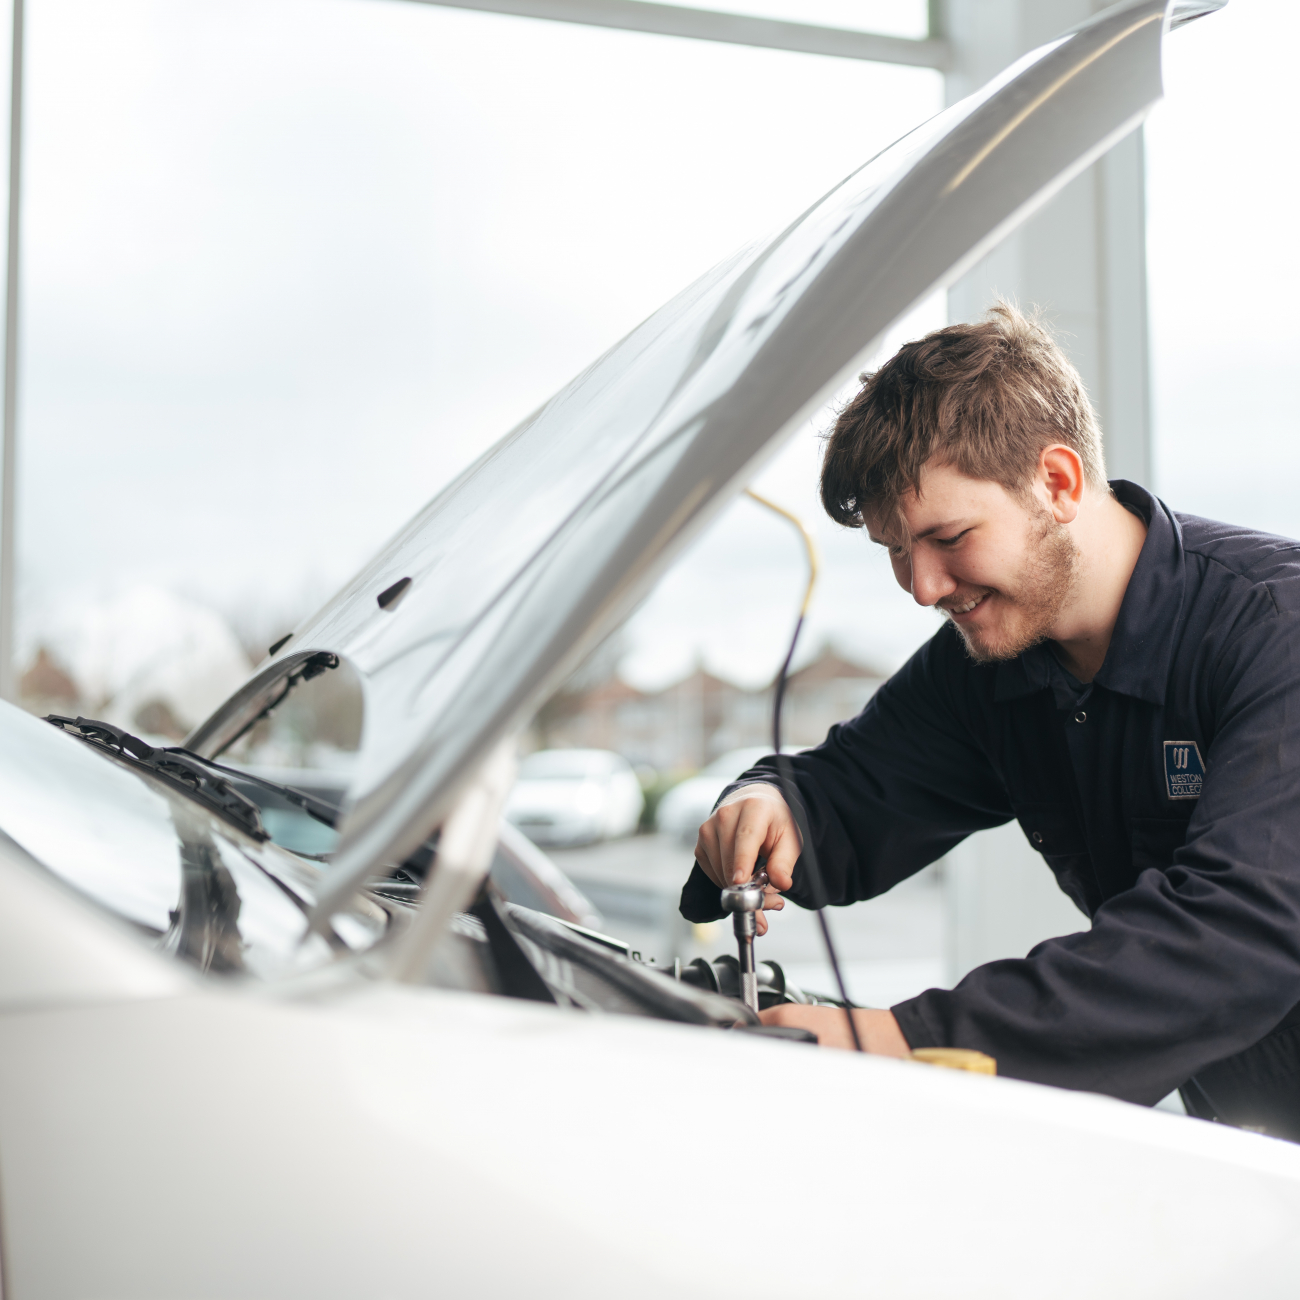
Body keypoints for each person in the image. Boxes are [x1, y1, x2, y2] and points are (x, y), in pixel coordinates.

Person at [680, 303, 1300, 1139]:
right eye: (895, 549)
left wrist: (909, 1043)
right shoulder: (995, 660)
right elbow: (857, 786)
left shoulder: (1275, 631)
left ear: (1059, 481)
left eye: (947, 537)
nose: (923, 588)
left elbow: (1239, 933)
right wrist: (771, 804)